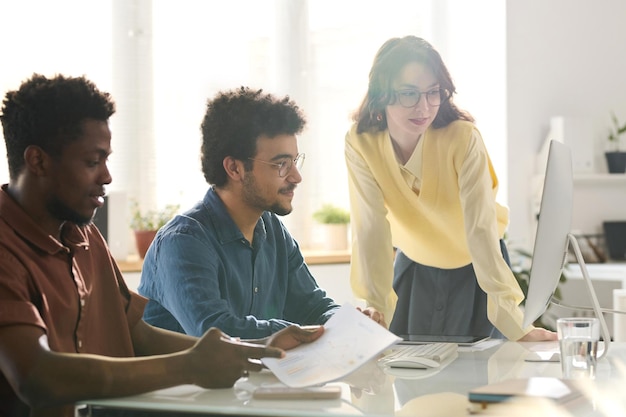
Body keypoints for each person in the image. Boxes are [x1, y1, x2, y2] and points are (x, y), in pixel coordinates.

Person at [0, 74, 324, 417]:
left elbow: (138, 334)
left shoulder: (84, 235)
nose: (107, 176)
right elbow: (37, 376)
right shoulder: (7, 247)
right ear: (37, 162)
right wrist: (188, 367)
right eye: (93, 162)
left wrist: (256, 349)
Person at [345, 36, 556, 342]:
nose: (424, 106)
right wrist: (375, 308)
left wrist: (516, 325)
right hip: (414, 269)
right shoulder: (360, 143)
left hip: (478, 271)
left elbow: (480, 231)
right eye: (409, 94)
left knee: (481, 380)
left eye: (433, 93)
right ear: (382, 94)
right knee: (408, 377)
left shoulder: (463, 139)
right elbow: (370, 229)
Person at [139, 87, 385, 339]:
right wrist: (302, 331)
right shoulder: (183, 241)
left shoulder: (271, 228)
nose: (296, 177)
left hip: (253, 378)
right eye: (281, 164)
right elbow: (216, 333)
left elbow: (312, 306)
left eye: (295, 161)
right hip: (189, 379)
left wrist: (349, 321)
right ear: (234, 168)